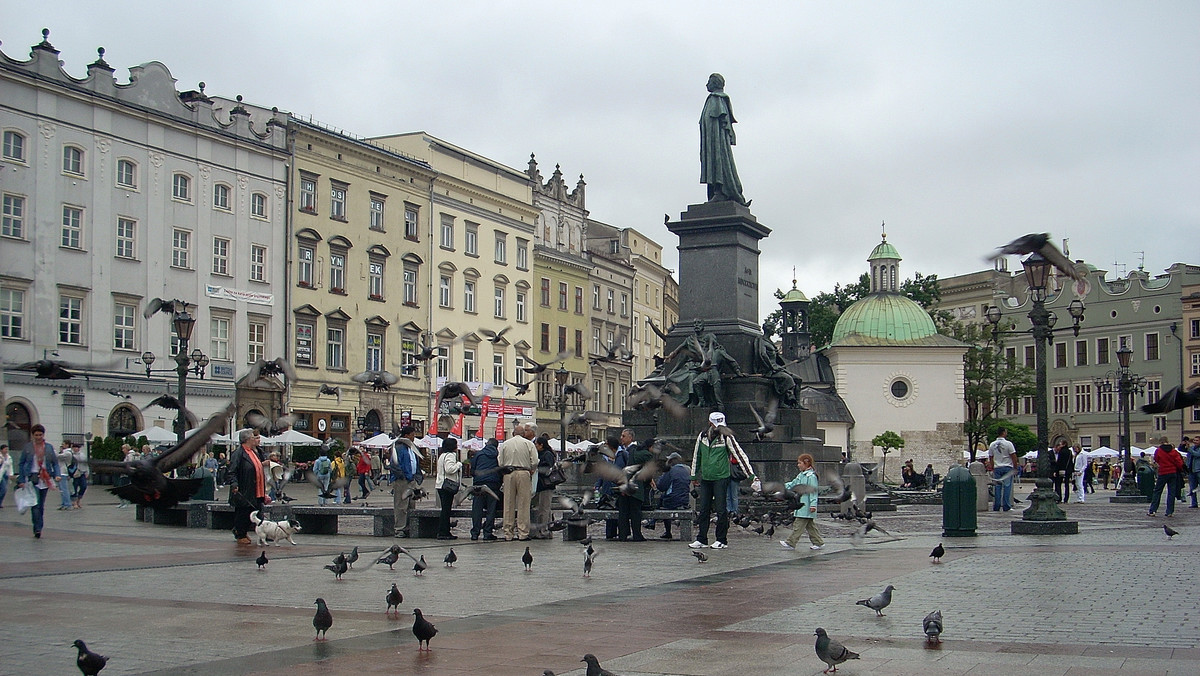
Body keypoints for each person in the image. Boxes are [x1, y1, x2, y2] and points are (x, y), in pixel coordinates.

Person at [689, 411, 756, 550]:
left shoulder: (727, 437)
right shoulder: (702, 437)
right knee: (704, 509)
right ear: (710, 423)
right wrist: (694, 476)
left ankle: (721, 540)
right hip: (706, 478)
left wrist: (751, 475)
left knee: (721, 510)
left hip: (721, 477)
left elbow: (739, 454)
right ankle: (701, 539)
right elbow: (697, 456)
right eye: (716, 424)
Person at [699, 72, 748, 205]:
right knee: (713, 163)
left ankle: (721, 191)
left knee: (719, 163)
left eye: (709, 81)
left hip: (716, 143)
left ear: (715, 83)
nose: (706, 84)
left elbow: (720, 123)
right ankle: (717, 190)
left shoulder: (717, 99)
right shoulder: (712, 100)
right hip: (710, 143)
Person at [16, 424, 59, 538]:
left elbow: (55, 462)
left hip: (45, 478)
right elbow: (21, 463)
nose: (38, 437)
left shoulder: (49, 447)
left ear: (43, 435)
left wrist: (57, 475)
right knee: (35, 504)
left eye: (40, 435)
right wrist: (21, 479)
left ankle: (39, 525)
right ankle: (37, 528)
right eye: (36, 435)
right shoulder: (28, 447)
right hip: (32, 477)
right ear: (33, 435)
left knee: (41, 505)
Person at [499, 422, 538, 541]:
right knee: (523, 504)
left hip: (508, 474)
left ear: (512, 433)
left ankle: (508, 533)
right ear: (523, 434)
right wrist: (531, 469)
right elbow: (535, 461)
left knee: (508, 503)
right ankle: (523, 532)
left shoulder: (505, 444)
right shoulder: (528, 444)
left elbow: (500, 462)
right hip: (524, 473)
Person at [227, 428, 265, 545]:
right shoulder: (239, 454)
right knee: (244, 511)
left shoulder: (254, 452)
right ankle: (240, 533)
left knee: (255, 510)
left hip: (257, 489)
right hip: (245, 488)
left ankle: (242, 531)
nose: (255, 439)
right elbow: (232, 471)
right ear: (247, 439)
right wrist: (234, 484)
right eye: (253, 437)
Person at [780, 453, 824, 551]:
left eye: (800, 463)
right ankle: (818, 542)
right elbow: (793, 483)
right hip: (802, 505)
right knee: (810, 526)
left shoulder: (811, 476)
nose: (798, 465)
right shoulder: (801, 475)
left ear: (806, 463)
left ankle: (791, 542)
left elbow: (813, 492)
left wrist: (813, 505)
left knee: (798, 525)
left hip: (806, 505)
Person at [390, 425, 422, 538]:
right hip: (401, 481)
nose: (414, 437)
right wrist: (402, 476)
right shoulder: (398, 448)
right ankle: (399, 529)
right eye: (412, 435)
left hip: (412, 480)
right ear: (406, 436)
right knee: (401, 505)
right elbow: (394, 465)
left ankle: (408, 528)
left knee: (411, 505)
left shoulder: (413, 448)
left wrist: (417, 477)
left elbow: (416, 463)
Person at [469, 437, 502, 541]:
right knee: (491, 510)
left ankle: (475, 533)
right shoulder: (497, 456)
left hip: (479, 485)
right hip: (492, 484)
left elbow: (472, 469)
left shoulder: (479, 454)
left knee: (477, 509)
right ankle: (487, 533)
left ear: (487, 444)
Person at [656, 452, 691, 540]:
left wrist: (662, 475)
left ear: (671, 461)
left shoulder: (670, 471)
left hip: (672, 501)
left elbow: (661, 486)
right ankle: (652, 522)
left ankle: (667, 531)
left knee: (663, 500)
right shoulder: (687, 469)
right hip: (685, 500)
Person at [1147, 437, 1184, 517]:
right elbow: (1179, 463)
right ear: (1168, 441)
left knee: (1157, 491)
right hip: (1172, 472)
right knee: (1171, 492)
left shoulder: (1159, 451)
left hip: (1163, 472)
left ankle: (1153, 510)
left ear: (1161, 442)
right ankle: (1169, 511)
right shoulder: (1174, 451)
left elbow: (1156, 459)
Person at [435, 437, 462, 540]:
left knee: (445, 509)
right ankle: (443, 532)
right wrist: (459, 464)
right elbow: (449, 469)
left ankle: (444, 531)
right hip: (447, 486)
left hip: (440, 484)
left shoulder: (442, 455)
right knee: (446, 510)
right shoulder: (450, 455)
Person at [531, 435, 557, 539]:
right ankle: (545, 529)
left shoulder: (547, 454)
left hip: (546, 485)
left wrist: (537, 467)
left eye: (536, 444)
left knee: (544, 508)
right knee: (542, 508)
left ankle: (544, 531)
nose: (535, 446)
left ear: (541, 445)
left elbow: (547, 469)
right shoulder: (543, 453)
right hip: (540, 485)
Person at [988, 427, 1018, 512]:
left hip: (997, 467)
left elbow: (990, 457)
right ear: (1004, 433)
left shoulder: (992, 444)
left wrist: (993, 466)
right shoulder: (1008, 444)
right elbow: (1013, 456)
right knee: (1007, 487)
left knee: (997, 487)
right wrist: (1015, 467)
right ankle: (1006, 506)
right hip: (1007, 467)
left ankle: (996, 506)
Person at [69, 443, 88, 509]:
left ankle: (78, 500)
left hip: (82, 473)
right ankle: (74, 502)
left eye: (76, 447)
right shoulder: (70, 455)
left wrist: (87, 471)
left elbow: (86, 463)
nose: (75, 449)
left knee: (84, 486)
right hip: (74, 474)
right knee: (74, 488)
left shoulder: (82, 455)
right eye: (74, 447)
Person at [56, 441, 74, 510]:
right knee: (62, 489)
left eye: (63, 444)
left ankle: (67, 504)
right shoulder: (64, 452)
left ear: (67, 445)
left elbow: (58, 457)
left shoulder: (67, 453)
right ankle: (64, 503)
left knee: (64, 489)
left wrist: (52, 452)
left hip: (63, 472)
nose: (62, 445)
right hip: (61, 472)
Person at [1183, 437, 1200, 509]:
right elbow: (1183, 450)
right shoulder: (1192, 448)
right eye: (1194, 440)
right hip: (1191, 470)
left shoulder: (1194, 449)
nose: (1195, 442)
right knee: (1192, 488)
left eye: (1197, 440)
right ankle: (1194, 503)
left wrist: (1189, 449)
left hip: (1198, 470)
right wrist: (1184, 444)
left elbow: (1197, 454)